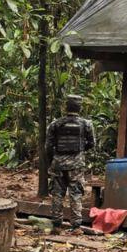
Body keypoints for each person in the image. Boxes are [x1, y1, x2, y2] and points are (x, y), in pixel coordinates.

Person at [45, 94, 95, 229]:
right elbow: (91, 143)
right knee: (76, 194)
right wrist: (79, 151)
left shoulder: (55, 124)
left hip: (58, 165)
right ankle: (76, 225)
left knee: (57, 194)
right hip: (77, 166)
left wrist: (53, 161)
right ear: (80, 107)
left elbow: (48, 147)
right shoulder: (86, 124)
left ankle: (56, 224)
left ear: (65, 106)